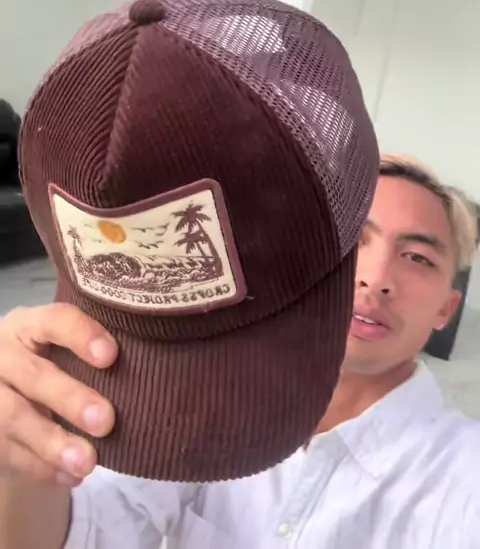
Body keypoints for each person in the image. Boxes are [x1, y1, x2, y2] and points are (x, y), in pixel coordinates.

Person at [0, 153, 479, 548]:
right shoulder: (211, 404)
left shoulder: (462, 479)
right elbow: (81, 533)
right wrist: (24, 460)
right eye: (355, 240)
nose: (376, 279)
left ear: (446, 310)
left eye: (417, 257)